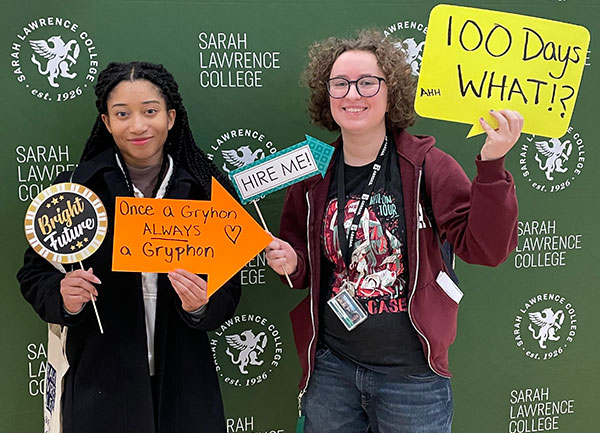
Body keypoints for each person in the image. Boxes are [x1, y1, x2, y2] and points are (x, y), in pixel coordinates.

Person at [265, 31, 522, 432]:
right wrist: (293, 261)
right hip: (333, 371)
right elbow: (302, 266)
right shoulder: (312, 172)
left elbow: (486, 249)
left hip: (413, 378)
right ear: (326, 94)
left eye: (368, 82)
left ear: (391, 92)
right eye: (340, 83)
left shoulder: (427, 165)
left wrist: (492, 166)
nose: (353, 94)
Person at [17, 62, 241, 433]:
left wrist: (203, 305)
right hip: (100, 385)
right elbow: (33, 275)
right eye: (122, 114)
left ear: (171, 118)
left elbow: (230, 287)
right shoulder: (74, 192)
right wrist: (61, 296)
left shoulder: (205, 192)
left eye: (150, 111)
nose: (138, 126)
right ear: (106, 122)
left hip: (185, 385)